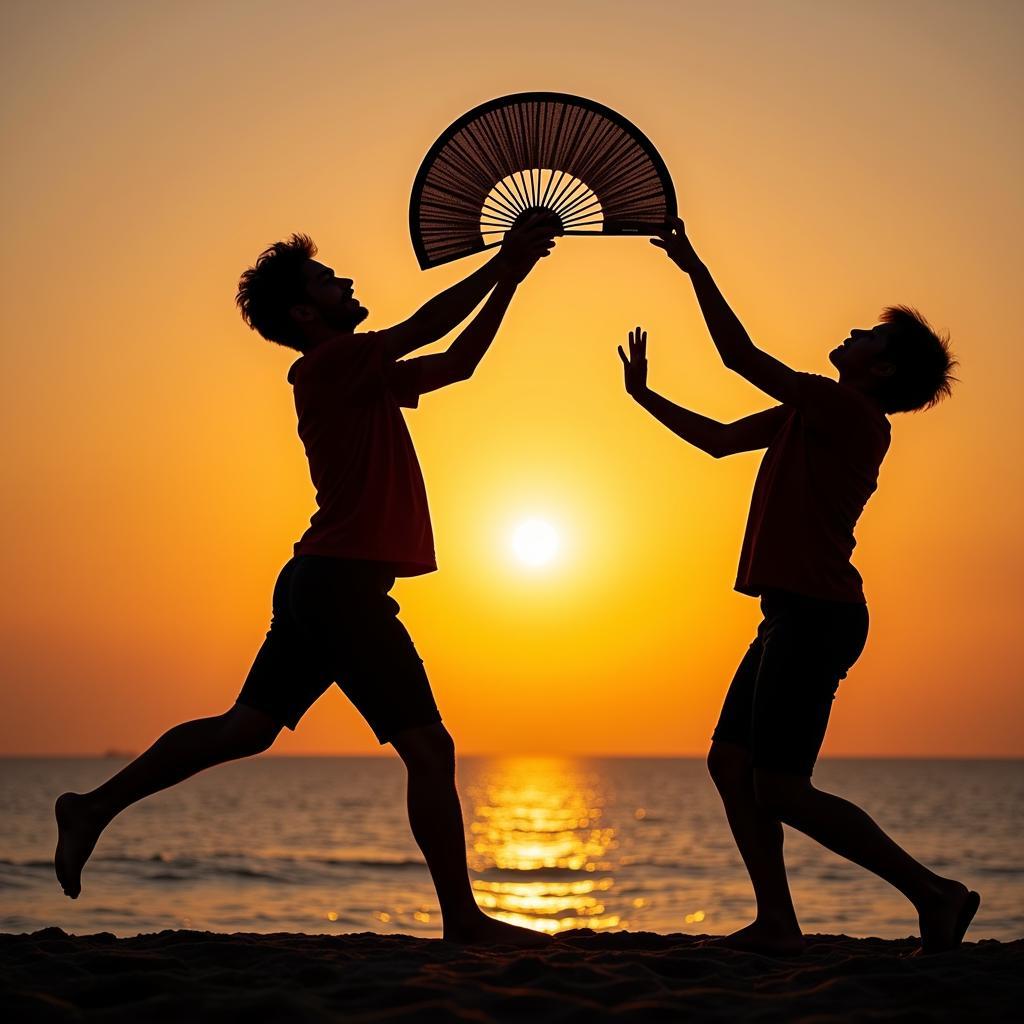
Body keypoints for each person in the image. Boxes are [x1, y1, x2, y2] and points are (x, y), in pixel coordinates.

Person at [54, 215, 558, 946]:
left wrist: (511, 278)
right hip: (340, 587)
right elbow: (424, 325)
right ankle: (463, 922)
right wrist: (501, 261)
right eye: (328, 280)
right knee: (429, 749)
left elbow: (457, 362)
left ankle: (92, 807)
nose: (345, 282)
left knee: (246, 729)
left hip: (318, 583)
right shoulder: (326, 365)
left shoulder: (361, 375)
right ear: (303, 312)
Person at [618, 215, 976, 955]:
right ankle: (778, 922)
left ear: (878, 371)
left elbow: (739, 354)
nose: (854, 332)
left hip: (819, 615)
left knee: (778, 786)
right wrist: (643, 397)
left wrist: (691, 264)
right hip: (792, 614)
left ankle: (935, 894)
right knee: (731, 764)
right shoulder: (813, 412)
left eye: (871, 337)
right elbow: (720, 440)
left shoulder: (848, 412)